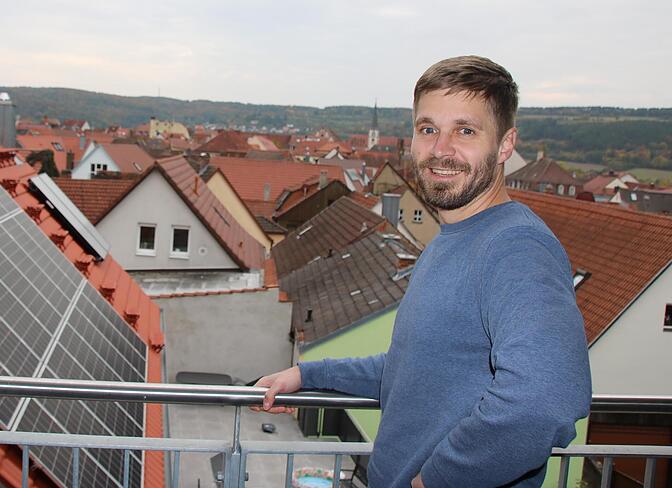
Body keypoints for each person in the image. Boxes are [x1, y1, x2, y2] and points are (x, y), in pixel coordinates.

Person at [254, 56, 592, 488]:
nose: (441, 149)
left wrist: (434, 480)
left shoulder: (515, 248)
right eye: (428, 129)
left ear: (506, 145)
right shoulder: (450, 240)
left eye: (465, 131)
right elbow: (414, 370)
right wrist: (306, 376)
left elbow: (544, 399)